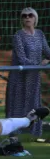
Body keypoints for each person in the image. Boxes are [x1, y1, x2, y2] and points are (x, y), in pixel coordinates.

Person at [5, 7, 50, 137]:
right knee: (16, 104)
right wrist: (39, 64)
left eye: (30, 15)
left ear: (35, 18)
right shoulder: (18, 35)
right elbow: (21, 58)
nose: (27, 18)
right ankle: (13, 134)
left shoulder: (40, 34)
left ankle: (34, 133)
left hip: (34, 76)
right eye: (24, 16)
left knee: (33, 104)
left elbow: (48, 52)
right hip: (19, 76)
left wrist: (46, 60)